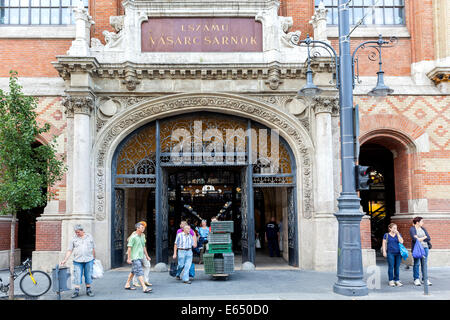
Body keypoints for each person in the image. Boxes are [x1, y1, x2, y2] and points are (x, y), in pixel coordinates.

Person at [60, 224, 96, 298]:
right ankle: (76, 291)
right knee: (77, 275)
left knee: (88, 275)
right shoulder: (73, 238)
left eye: (78, 232)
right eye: (76, 232)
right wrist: (65, 260)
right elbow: (69, 250)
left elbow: (93, 248)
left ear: (82, 231)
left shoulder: (89, 237)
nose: (77, 233)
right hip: (77, 260)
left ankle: (88, 290)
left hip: (89, 260)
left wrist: (94, 258)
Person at [124, 222, 152, 293]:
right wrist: (129, 258)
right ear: (137, 228)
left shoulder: (142, 236)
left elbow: (143, 246)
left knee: (133, 271)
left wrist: (147, 256)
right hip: (135, 257)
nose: (143, 228)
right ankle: (144, 287)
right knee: (139, 271)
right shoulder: (133, 237)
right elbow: (129, 248)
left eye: (144, 227)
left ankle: (127, 284)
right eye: (142, 227)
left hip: (140, 256)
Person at [410, 217, 432, 286]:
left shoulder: (423, 229)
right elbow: (414, 239)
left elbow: (428, 238)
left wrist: (420, 238)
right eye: (422, 221)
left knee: (424, 264)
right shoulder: (412, 229)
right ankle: (416, 279)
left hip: (425, 248)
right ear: (417, 222)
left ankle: (425, 279)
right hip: (417, 248)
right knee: (416, 264)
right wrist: (424, 237)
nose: (423, 223)